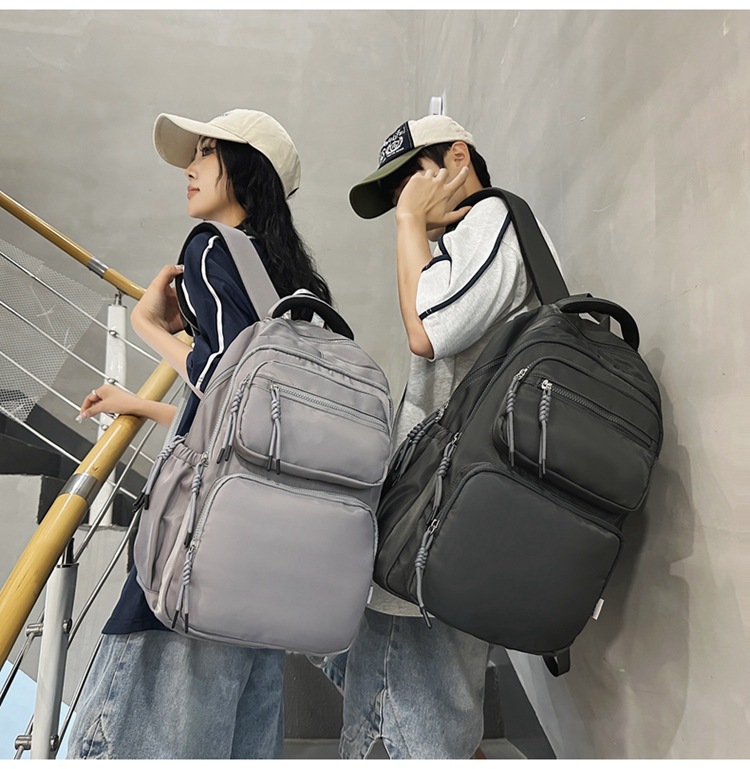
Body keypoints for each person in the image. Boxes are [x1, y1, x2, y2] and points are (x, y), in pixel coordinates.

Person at [68, 108, 331, 759]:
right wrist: (144, 403)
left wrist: (148, 326)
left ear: (246, 170)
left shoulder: (212, 247)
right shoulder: (297, 285)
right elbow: (252, 420)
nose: (189, 167)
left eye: (207, 152)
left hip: (201, 548)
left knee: (147, 735)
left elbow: (227, 384)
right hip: (269, 558)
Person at [322, 115, 561, 759]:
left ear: (458, 156)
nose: (404, 199)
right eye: (394, 194)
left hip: (446, 512)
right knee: (394, 687)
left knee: (407, 704)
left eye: (409, 179)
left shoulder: (493, 220)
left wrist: (407, 225)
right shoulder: (458, 243)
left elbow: (430, 332)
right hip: (444, 503)